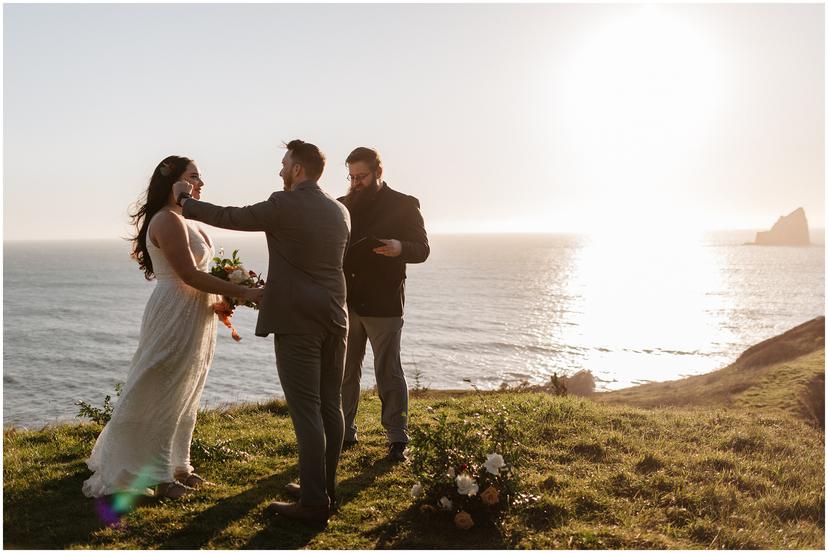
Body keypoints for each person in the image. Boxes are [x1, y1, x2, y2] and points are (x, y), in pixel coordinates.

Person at [172, 140, 350, 524]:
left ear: (298, 169)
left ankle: (314, 504)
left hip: (297, 320)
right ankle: (322, 488)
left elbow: (232, 217)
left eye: (284, 164)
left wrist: (186, 202)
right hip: (336, 317)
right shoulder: (340, 210)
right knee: (329, 406)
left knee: (307, 412)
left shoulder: (285, 203)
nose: (280, 171)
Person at [83, 156, 263, 500]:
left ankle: (181, 465)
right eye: (193, 176)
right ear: (174, 183)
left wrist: (222, 296)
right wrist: (245, 291)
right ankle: (160, 474)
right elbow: (189, 275)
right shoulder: (166, 220)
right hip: (174, 310)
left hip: (196, 311)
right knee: (163, 386)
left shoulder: (190, 222)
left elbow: (202, 276)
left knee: (188, 387)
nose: (201, 182)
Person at [338, 147, 429, 463]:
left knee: (388, 372)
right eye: (351, 177)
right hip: (346, 301)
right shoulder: (341, 206)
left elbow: (422, 249)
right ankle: (343, 433)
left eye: (361, 176)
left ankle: (397, 439)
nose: (355, 183)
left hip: (384, 302)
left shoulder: (404, 205)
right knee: (344, 372)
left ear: (378, 172)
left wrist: (399, 247)